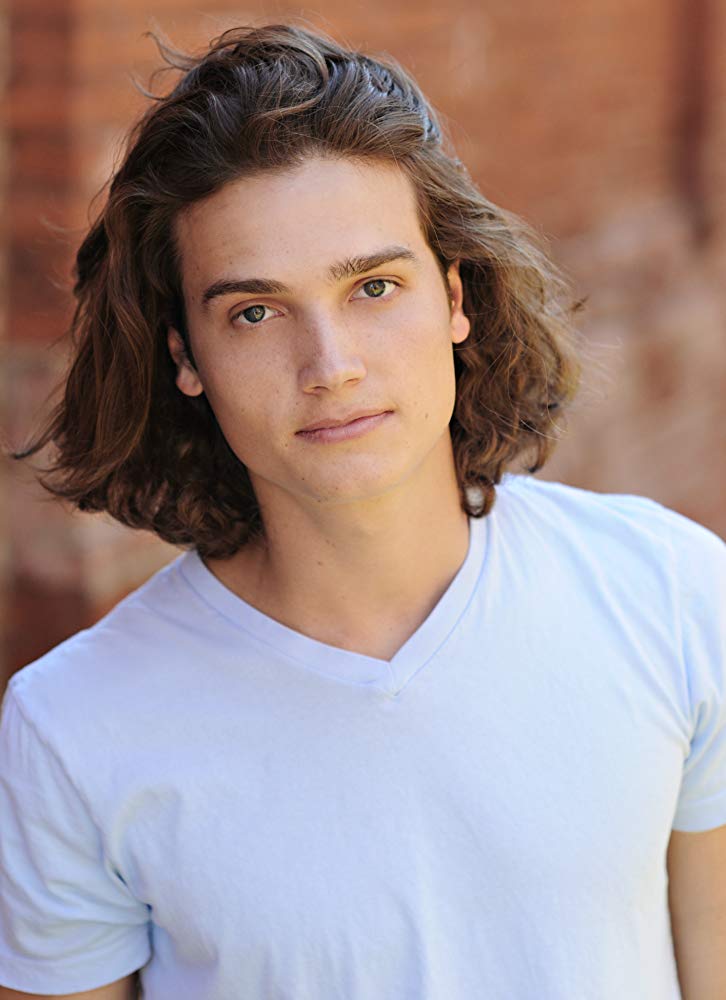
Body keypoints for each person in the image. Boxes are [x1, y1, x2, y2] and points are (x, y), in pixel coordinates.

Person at [0, 21, 724, 1000]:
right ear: (185, 357)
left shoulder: (669, 595)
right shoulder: (73, 728)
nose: (330, 365)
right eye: (255, 312)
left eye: (373, 287)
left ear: (455, 296)